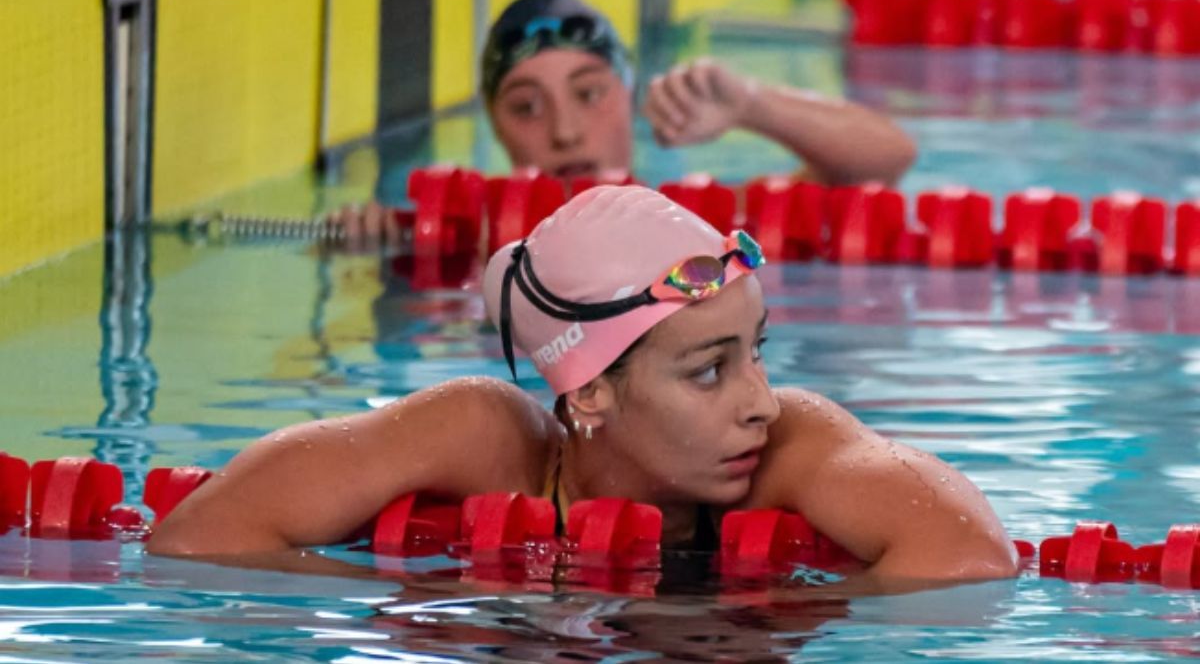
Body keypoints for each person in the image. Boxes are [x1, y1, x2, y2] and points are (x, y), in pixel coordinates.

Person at [148, 185, 1017, 591]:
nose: (757, 397)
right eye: (708, 369)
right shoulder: (482, 435)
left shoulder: (783, 442)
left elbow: (970, 555)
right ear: (590, 393)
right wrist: (411, 591)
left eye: (755, 351)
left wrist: (759, 605)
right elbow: (203, 534)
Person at [333, 0, 917, 250]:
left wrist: (749, 104)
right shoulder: (449, 245)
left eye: (589, 94)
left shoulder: (703, 224)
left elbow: (888, 159)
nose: (564, 133)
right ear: (495, 122)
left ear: (630, 93)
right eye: (527, 107)